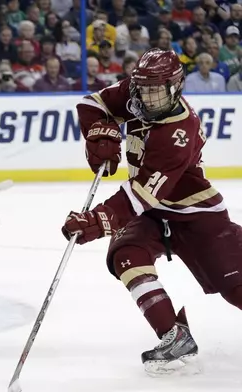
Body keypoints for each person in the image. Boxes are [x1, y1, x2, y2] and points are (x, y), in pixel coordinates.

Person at [61, 48, 242, 375]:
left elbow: (139, 194)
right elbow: (90, 103)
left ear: (175, 88)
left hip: (195, 213)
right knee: (126, 254)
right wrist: (98, 135)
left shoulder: (178, 131)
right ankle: (174, 335)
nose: (148, 98)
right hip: (153, 214)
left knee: (234, 289)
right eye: (144, 89)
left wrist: (96, 221)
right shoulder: (137, 91)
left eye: (157, 91)